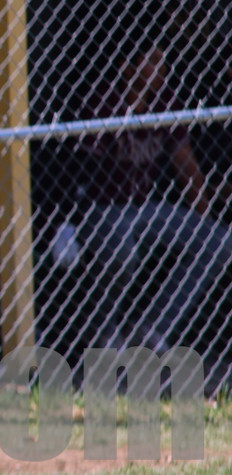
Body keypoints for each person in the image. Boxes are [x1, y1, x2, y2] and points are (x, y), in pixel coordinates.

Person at [71, 38, 232, 351]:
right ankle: (100, 331)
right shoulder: (105, 102)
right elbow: (77, 172)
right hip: (101, 209)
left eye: (163, 59)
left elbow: (186, 164)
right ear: (127, 68)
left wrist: (203, 217)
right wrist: (66, 221)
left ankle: (152, 329)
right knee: (123, 255)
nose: (163, 68)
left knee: (219, 243)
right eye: (153, 60)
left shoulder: (164, 101)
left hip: (145, 207)